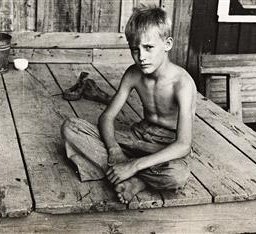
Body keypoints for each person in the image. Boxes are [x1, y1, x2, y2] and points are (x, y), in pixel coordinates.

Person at [61, 5, 197, 204]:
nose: (141, 57)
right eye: (135, 49)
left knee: (177, 175)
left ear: (167, 44)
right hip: (138, 136)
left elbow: (184, 145)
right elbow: (107, 117)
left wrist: (133, 166)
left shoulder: (182, 83)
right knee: (71, 128)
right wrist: (114, 149)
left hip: (167, 144)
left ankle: (134, 178)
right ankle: (126, 171)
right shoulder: (133, 74)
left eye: (148, 47)